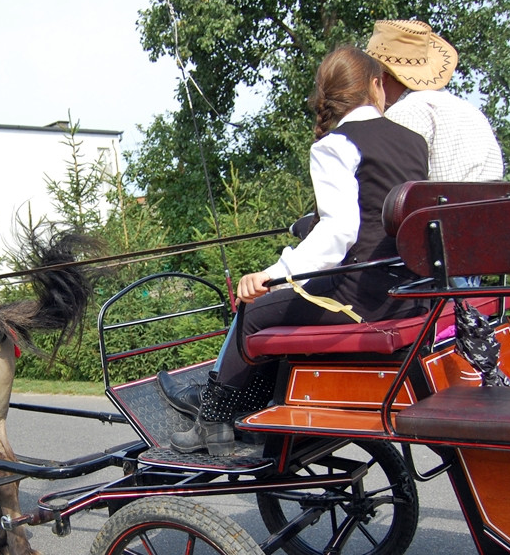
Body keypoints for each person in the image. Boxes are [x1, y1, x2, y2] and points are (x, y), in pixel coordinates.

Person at [158, 45, 429, 456]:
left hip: (362, 301)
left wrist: (271, 274)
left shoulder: (335, 145)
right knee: (282, 304)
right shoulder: (412, 142)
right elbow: (377, 214)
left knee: (253, 310)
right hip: (406, 295)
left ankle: (212, 420)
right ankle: (252, 409)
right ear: (375, 85)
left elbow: (340, 232)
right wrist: (308, 227)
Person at [365, 19, 503, 182]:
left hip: (442, 207)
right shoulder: (473, 113)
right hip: (489, 206)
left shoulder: (404, 113)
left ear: (381, 78)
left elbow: (392, 188)